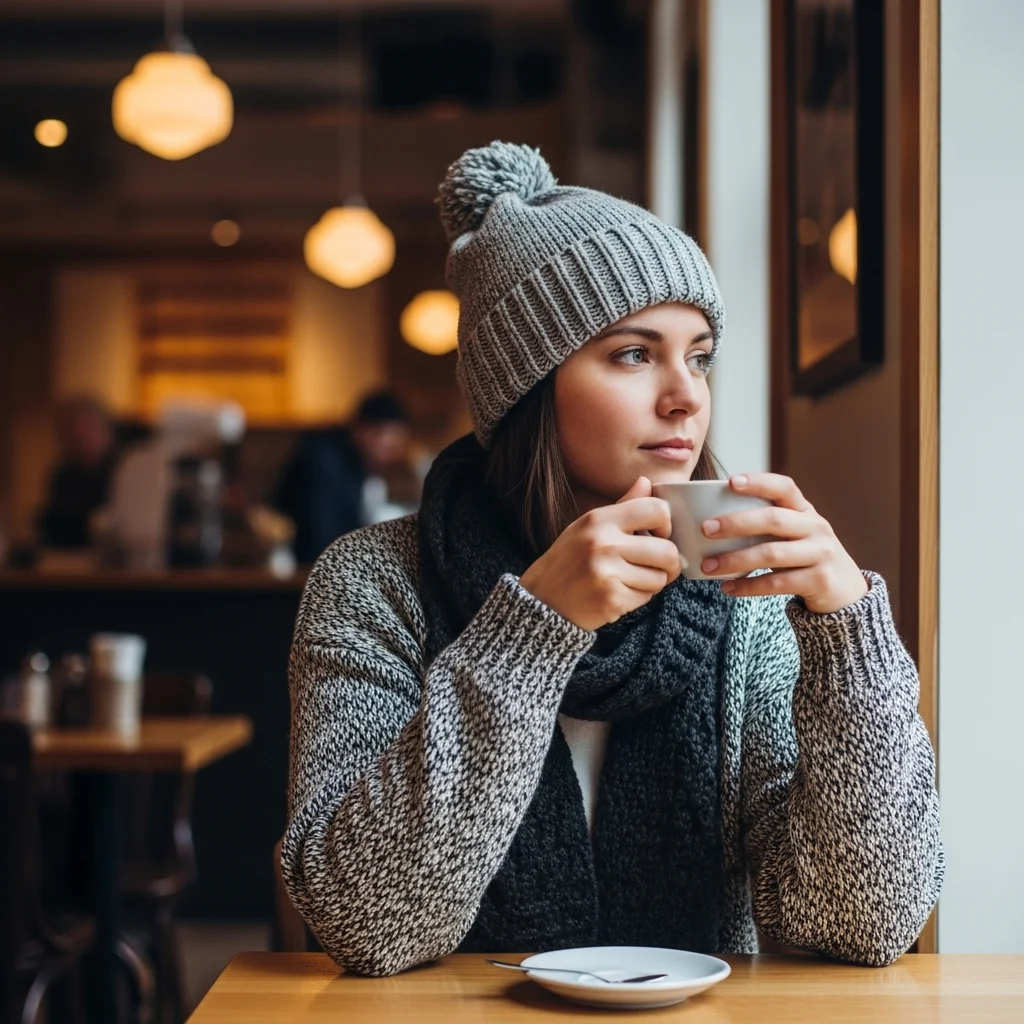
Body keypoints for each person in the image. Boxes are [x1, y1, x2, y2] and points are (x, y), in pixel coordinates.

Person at [281, 142, 942, 976]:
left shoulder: (739, 586)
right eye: (635, 354)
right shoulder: (375, 584)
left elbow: (866, 922)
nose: (687, 395)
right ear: (528, 384)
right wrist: (530, 631)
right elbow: (365, 923)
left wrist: (848, 635)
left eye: (698, 354)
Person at [273, 391, 411, 564]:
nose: (393, 452)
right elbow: (320, 540)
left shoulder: (357, 464)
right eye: (389, 440)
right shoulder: (324, 461)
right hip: (305, 572)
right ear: (363, 431)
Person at [37, 395, 118, 549]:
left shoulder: (126, 471)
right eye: (73, 439)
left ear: (106, 431)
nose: (81, 445)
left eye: (86, 436)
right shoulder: (62, 475)